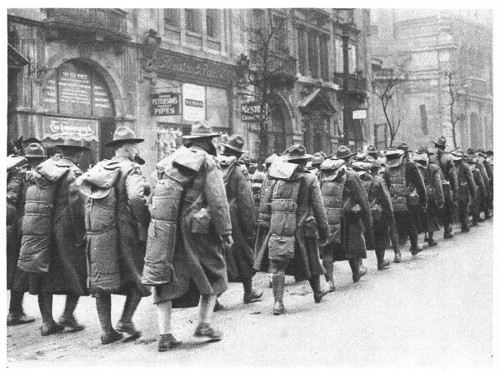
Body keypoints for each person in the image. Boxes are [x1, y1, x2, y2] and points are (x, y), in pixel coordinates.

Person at [150, 121, 233, 351]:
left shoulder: (169, 159)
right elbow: (218, 201)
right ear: (207, 141)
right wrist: (226, 232)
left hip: (167, 226)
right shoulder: (208, 162)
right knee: (214, 270)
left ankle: (164, 334)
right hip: (198, 230)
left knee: (166, 276)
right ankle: (204, 324)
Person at [78, 126, 151, 344]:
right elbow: (137, 198)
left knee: (101, 280)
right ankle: (126, 320)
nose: (137, 151)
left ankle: (107, 330)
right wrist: (144, 223)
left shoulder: (100, 167)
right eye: (135, 147)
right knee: (141, 274)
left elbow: (84, 194)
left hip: (99, 232)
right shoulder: (131, 168)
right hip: (125, 230)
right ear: (128, 148)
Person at [19, 139, 91, 336]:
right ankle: (68, 315)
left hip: (41, 228)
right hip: (65, 230)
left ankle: (47, 322)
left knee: (44, 275)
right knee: (77, 271)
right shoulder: (73, 172)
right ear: (78, 154)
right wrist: (83, 232)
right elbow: (78, 205)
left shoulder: (44, 167)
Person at [254, 145, 329, 315]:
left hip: (279, 226)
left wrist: (266, 226)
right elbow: (319, 207)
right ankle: (317, 292)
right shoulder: (310, 179)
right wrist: (324, 230)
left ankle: (278, 303)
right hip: (303, 228)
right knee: (311, 260)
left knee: (279, 264)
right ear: (303, 161)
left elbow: (266, 204)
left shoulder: (275, 178)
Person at [219, 134, 262, 305]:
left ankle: (212, 298)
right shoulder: (238, 170)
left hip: (217, 215)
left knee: (219, 257)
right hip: (234, 218)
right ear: (238, 154)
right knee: (244, 255)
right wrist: (249, 228)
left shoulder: (216, 165)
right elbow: (246, 203)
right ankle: (248, 292)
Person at [320, 155, 373, 290]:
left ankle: (330, 282)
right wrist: (368, 221)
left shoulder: (322, 175)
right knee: (352, 247)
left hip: (329, 217)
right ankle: (356, 273)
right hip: (348, 218)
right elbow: (362, 199)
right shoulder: (350, 176)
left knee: (328, 250)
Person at [7, 142, 35, 326]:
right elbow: (11, 199)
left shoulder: (9, 167)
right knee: (20, 268)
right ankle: (15, 311)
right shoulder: (21, 171)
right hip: (16, 225)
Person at [351, 157, 393, 270]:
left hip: (359, 213)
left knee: (360, 238)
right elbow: (386, 199)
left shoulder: (354, 179)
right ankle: (381, 262)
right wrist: (390, 215)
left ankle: (359, 265)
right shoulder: (378, 180)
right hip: (376, 213)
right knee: (381, 237)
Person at [384, 148, 427, 256]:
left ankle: (397, 253)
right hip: (408, 201)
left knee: (394, 227)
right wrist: (423, 199)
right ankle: (414, 247)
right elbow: (419, 184)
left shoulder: (387, 169)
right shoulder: (410, 166)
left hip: (392, 202)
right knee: (411, 224)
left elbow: (385, 186)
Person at [413, 147, 444, 247]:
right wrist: (440, 199)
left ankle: (416, 242)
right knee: (431, 216)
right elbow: (438, 184)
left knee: (417, 218)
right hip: (430, 195)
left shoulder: (414, 167)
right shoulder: (434, 168)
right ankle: (430, 238)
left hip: (416, 196)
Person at [429, 136, 458, 239]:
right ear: (444, 147)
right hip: (445, 186)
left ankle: (429, 235)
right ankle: (447, 231)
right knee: (447, 208)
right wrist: (455, 191)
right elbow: (453, 176)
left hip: (431, 188)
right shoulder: (448, 158)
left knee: (431, 210)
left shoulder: (430, 157)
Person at [451, 149, 477, 233]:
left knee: (462, 207)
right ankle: (464, 224)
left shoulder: (453, 166)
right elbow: (471, 180)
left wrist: (473, 192)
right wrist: (473, 193)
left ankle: (463, 224)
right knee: (464, 208)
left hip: (459, 190)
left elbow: (470, 180)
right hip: (461, 190)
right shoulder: (464, 166)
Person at [464, 154, 487, 226]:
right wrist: (484, 191)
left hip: (467, 190)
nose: (471, 166)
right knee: (475, 205)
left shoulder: (465, 171)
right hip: (475, 190)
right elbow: (481, 182)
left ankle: (467, 221)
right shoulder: (476, 171)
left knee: (469, 206)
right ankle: (475, 220)